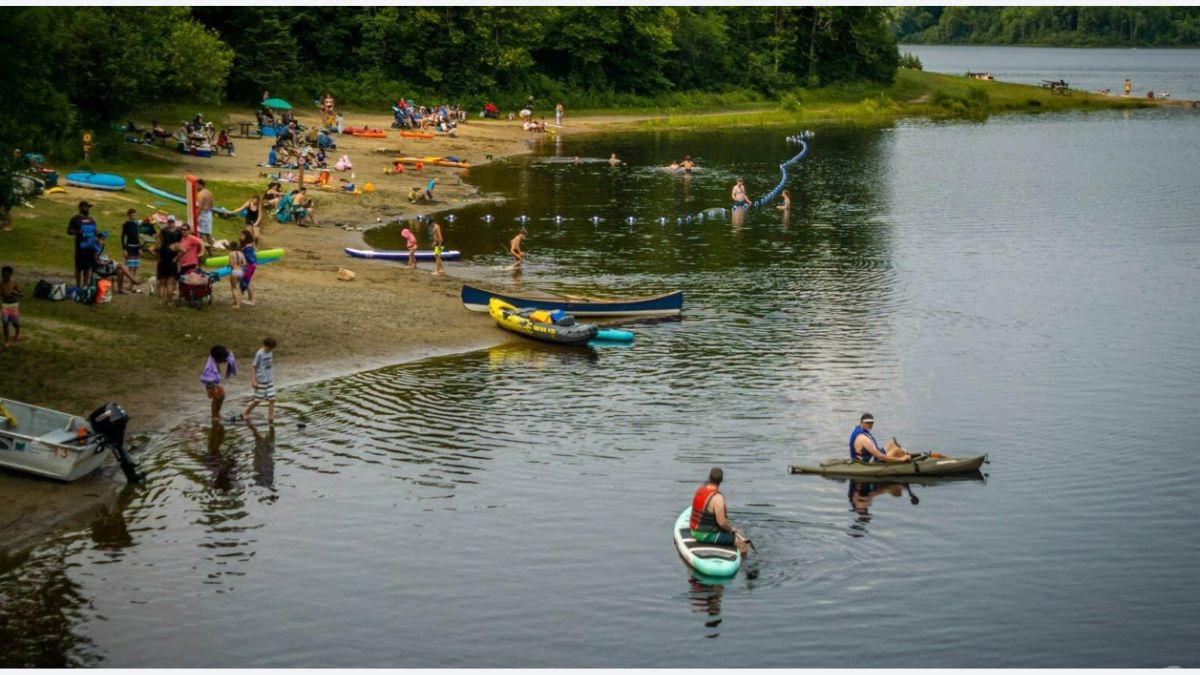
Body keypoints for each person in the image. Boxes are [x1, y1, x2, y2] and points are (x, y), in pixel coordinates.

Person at [689, 467, 749, 556]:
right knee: (742, 541)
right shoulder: (717, 498)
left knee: (736, 533)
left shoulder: (700, 490)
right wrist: (731, 529)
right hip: (706, 536)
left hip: (694, 532)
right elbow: (722, 523)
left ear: (709, 477)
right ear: (721, 480)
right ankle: (742, 563)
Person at [242, 337, 277, 423]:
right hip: (261, 379)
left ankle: (270, 417)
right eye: (269, 348)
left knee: (272, 399)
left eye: (272, 348)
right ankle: (246, 412)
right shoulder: (259, 354)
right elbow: (254, 366)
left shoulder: (270, 352)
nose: (270, 350)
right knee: (257, 400)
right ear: (265, 345)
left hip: (269, 379)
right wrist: (253, 380)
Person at [200, 345, 237, 422]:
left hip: (214, 381)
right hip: (210, 381)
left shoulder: (214, 359)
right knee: (216, 398)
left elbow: (228, 356)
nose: (224, 361)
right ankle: (214, 416)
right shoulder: (210, 366)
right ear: (218, 358)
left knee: (221, 397)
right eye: (223, 359)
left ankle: (217, 413)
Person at [67, 200, 99, 288]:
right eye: (86, 207)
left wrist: (98, 235)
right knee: (78, 267)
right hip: (80, 247)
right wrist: (78, 232)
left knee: (87, 267)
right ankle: (78, 285)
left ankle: (85, 285)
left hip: (90, 247)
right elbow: (69, 231)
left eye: (88, 207)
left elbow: (95, 231)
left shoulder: (91, 219)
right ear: (80, 208)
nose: (88, 208)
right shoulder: (75, 219)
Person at [156, 215, 183, 303]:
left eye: (171, 222)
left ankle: (162, 300)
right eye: (170, 222)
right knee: (168, 283)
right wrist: (176, 258)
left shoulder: (164, 231)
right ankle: (169, 301)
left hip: (164, 259)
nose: (170, 223)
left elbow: (158, 244)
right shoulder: (177, 233)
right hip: (170, 260)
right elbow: (182, 249)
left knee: (163, 283)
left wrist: (159, 257)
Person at [118, 208, 142, 294]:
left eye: (135, 215)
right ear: (129, 216)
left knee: (135, 267)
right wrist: (124, 249)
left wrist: (140, 248)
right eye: (132, 215)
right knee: (131, 267)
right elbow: (122, 237)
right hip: (129, 247)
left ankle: (131, 285)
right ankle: (132, 285)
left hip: (136, 247)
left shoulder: (136, 224)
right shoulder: (126, 225)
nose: (134, 216)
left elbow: (137, 237)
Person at [1, 266, 21, 348]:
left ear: (10, 275)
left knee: (15, 323)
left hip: (14, 306)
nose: (4, 276)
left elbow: (21, 294)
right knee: (5, 323)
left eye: (6, 274)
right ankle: (6, 341)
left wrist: (15, 293)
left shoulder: (14, 283)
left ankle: (17, 333)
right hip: (5, 305)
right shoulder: (1, 284)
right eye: (2, 274)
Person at [226, 239, 246, 310]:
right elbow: (245, 263)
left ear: (231, 247)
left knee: (233, 288)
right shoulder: (241, 253)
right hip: (241, 271)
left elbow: (231, 264)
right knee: (237, 287)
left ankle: (237, 305)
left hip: (234, 271)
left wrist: (230, 266)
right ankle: (235, 302)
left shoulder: (231, 254)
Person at [239, 230, 258, 307]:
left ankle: (252, 300)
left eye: (243, 235)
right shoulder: (246, 245)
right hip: (249, 265)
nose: (241, 237)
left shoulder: (248, 246)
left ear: (247, 236)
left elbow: (250, 258)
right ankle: (250, 299)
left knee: (247, 282)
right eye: (241, 235)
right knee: (248, 282)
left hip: (249, 266)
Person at [195, 179, 215, 248]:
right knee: (209, 234)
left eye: (196, 185)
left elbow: (200, 207)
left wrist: (196, 216)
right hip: (209, 214)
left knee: (201, 233)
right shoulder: (209, 193)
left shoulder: (200, 194)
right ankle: (211, 251)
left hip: (202, 214)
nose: (195, 187)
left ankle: (203, 249)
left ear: (201, 185)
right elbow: (212, 205)